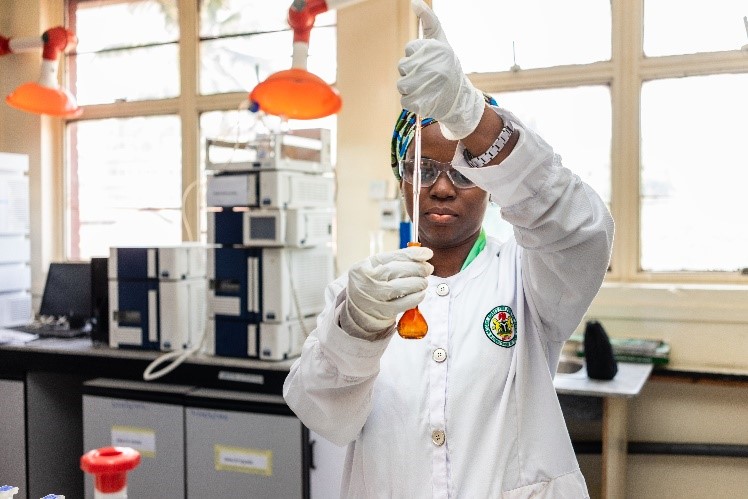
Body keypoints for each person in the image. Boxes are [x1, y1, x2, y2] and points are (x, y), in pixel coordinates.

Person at [283, 0, 614, 496]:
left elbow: (581, 231)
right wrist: (356, 328)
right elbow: (321, 414)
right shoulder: (362, 293)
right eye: (424, 169)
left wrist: (472, 116)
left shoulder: (527, 279)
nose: (442, 188)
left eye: (465, 170)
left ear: (491, 182)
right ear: (400, 178)